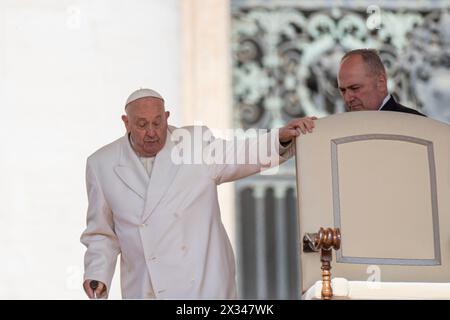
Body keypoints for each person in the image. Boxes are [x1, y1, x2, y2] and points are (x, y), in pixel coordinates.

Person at [80, 88, 316, 299]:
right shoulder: (102, 164)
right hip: (146, 288)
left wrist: (280, 138)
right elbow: (101, 233)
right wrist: (97, 274)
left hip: (203, 286)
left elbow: (240, 153)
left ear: (167, 117)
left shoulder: (194, 144)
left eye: (157, 122)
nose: (151, 132)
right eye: (142, 125)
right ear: (126, 123)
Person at [337, 48, 425, 116]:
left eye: (355, 88)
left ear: (381, 83)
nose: (347, 98)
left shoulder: (415, 123)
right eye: (343, 91)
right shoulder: (340, 128)